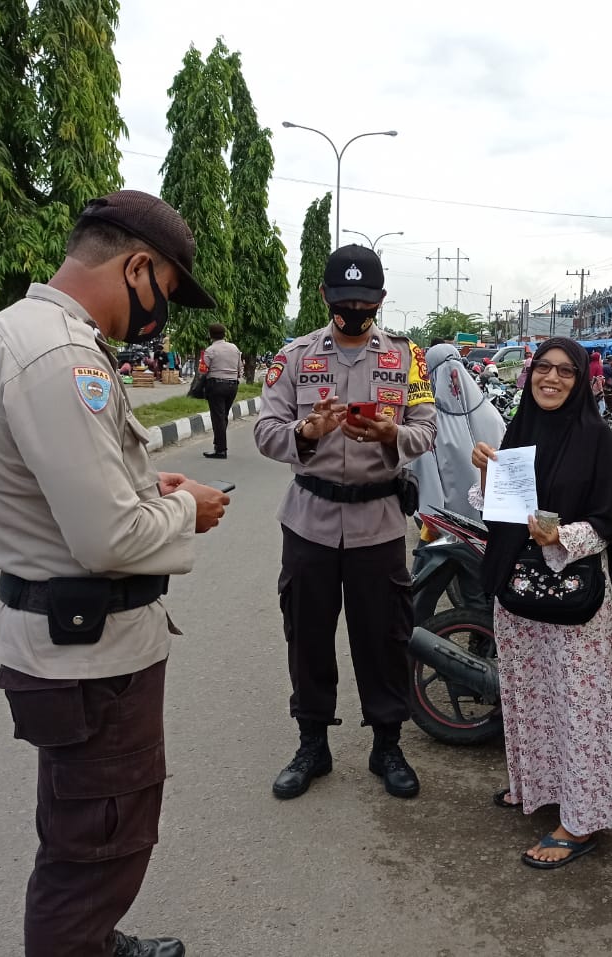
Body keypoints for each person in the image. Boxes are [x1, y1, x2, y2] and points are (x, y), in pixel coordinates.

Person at [0, 189, 231, 957]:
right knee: (97, 849)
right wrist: (188, 509)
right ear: (138, 266)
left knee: (84, 828)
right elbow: (109, 537)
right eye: (166, 293)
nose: (161, 315)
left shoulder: (11, 333)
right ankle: (83, 940)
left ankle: (95, 943)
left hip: (68, 645)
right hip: (91, 656)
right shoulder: (63, 356)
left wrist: (152, 489)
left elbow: (65, 494)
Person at [255, 244, 437, 802]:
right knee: (307, 633)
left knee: (384, 638)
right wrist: (305, 435)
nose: (353, 309)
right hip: (309, 520)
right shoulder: (293, 356)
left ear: (381, 300)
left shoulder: (410, 360)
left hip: (378, 522)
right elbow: (266, 431)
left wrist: (392, 436)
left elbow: (426, 430)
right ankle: (313, 743)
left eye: (364, 300)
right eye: (343, 299)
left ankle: (388, 743)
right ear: (323, 297)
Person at [470, 337, 612, 868]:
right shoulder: (519, 432)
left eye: (565, 372)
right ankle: (538, 787)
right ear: (529, 374)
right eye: (544, 369)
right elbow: (501, 510)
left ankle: (581, 820)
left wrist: (560, 537)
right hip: (518, 591)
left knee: (578, 707)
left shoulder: (596, 439)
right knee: (529, 698)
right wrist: (488, 476)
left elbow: (610, 523)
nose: (552, 379)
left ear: (580, 380)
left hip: (571, 597)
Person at [410, 343, 505, 600]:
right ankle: (480, 637)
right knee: (475, 587)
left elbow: (420, 471)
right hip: (487, 521)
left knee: (420, 590)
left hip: (444, 522)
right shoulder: (491, 413)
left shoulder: (430, 420)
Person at [201, 323, 241, 459]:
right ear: (224, 334)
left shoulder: (210, 350)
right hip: (233, 385)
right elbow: (239, 367)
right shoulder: (234, 348)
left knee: (218, 417)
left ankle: (220, 450)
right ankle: (219, 445)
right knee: (222, 416)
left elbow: (203, 370)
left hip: (216, 385)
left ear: (210, 335)